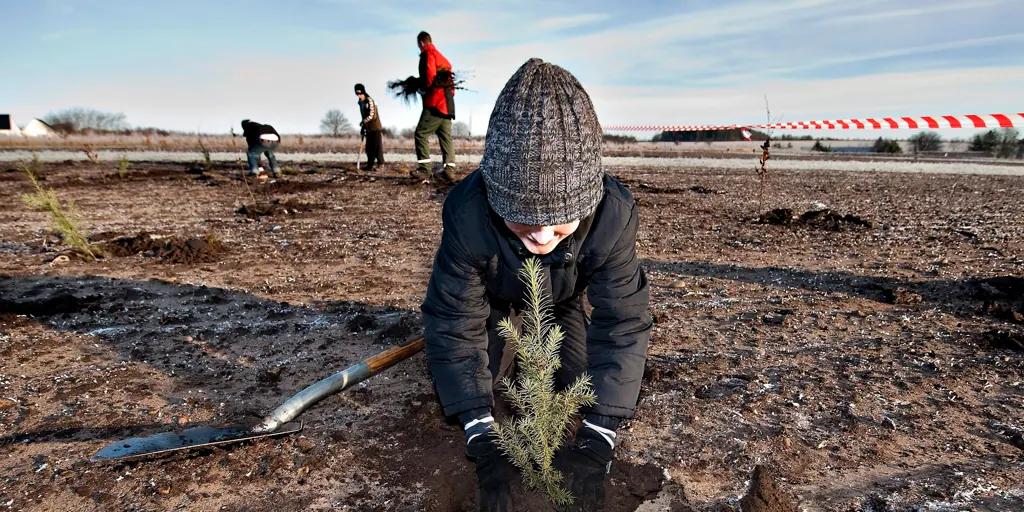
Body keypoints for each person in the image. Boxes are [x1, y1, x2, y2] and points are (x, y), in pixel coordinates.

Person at [421, 58, 651, 511]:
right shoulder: (468, 216)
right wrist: (480, 430)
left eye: (560, 219)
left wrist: (600, 434)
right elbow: (455, 323)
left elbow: (623, 321)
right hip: (494, 295)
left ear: (587, 200)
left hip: (563, 297)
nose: (542, 236)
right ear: (494, 195)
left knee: (579, 380)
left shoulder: (612, 218)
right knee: (485, 363)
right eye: (524, 218)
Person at [412, 31, 456, 180]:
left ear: (422, 42)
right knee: (445, 137)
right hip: (448, 104)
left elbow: (429, 77)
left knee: (420, 134)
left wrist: (422, 89)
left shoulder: (428, 54)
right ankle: (449, 170)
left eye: (419, 45)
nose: (419, 48)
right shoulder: (444, 59)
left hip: (435, 103)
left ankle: (424, 169)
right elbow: (451, 85)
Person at [355, 83, 385, 171]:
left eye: (360, 93)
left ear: (363, 92)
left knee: (377, 147)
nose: (359, 95)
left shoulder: (370, 101)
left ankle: (381, 165)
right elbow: (363, 116)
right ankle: (370, 165)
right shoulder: (360, 102)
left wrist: (363, 122)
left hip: (375, 127)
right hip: (368, 128)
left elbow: (372, 115)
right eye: (357, 93)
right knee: (369, 147)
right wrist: (363, 127)